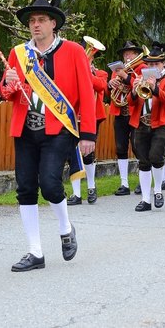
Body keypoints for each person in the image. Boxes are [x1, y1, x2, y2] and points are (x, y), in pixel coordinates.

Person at [0, 0, 96, 271]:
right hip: (25, 129)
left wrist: (88, 133)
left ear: (54, 23)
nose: (35, 25)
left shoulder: (74, 51)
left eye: (41, 20)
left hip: (58, 130)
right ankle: (35, 252)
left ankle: (66, 229)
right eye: (32, 21)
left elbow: (87, 95)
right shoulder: (19, 53)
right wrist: (9, 83)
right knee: (26, 189)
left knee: (51, 183)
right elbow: (6, 91)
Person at [127, 42, 165, 211]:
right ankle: (145, 199)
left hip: (160, 123)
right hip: (141, 122)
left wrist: (155, 87)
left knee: (156, 156)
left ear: (162, 64)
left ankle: (158, 191)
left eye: (155, 64)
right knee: (143, 161)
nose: (152, 66)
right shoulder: (140, 78)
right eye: (149, 64)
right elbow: (131, 103)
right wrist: (134, 91)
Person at [67, 37, 108, 205]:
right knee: (72, 154)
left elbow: (101, 86)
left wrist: (86, 72)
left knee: (88, 154)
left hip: (91, 117)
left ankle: (91, 187)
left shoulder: (100, 73)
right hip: (72, 116)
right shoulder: (71, 70)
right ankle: (76, 194)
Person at [109, 41, 146, 196]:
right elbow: (110, 90)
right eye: (125, 53)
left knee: (138, 147)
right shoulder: (117, 69)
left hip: (134, 112)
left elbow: (140, 88)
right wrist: (110, 83)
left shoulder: (142, 68)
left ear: (137, 54)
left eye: (130, 53)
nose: (127, 55)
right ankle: (124, 183)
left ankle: (141, 181)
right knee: (120, 148)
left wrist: (126, 77)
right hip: (120, 112)